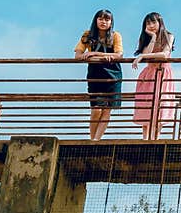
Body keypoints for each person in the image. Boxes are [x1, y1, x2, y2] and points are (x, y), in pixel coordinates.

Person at [74, 9, 123, 141]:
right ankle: (92, 140)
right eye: (101, 19)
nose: (103, 22)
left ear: (111, 22)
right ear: (96, 20)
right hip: (95, 74)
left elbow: (118, 55)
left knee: (107, 110)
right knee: (96, 109)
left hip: (113, 75)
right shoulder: (87, 35)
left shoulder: (115, 35)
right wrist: (92, 55)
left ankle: (97, 140)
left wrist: (95, 54)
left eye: (107, 19)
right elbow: (78, 55)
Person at [131, 12, 175, 140]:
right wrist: (153, 37)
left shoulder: (169, 36)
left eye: (153, 22)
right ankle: (146, 140)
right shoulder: (146, 38)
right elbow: (147, 52)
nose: (151, 25)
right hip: (149, 75)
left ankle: (155, 139)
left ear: (160, 22)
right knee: (146, 107)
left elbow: (165, 54)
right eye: (148, 23)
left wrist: (143, 56)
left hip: (162, 74)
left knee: (159, 107)